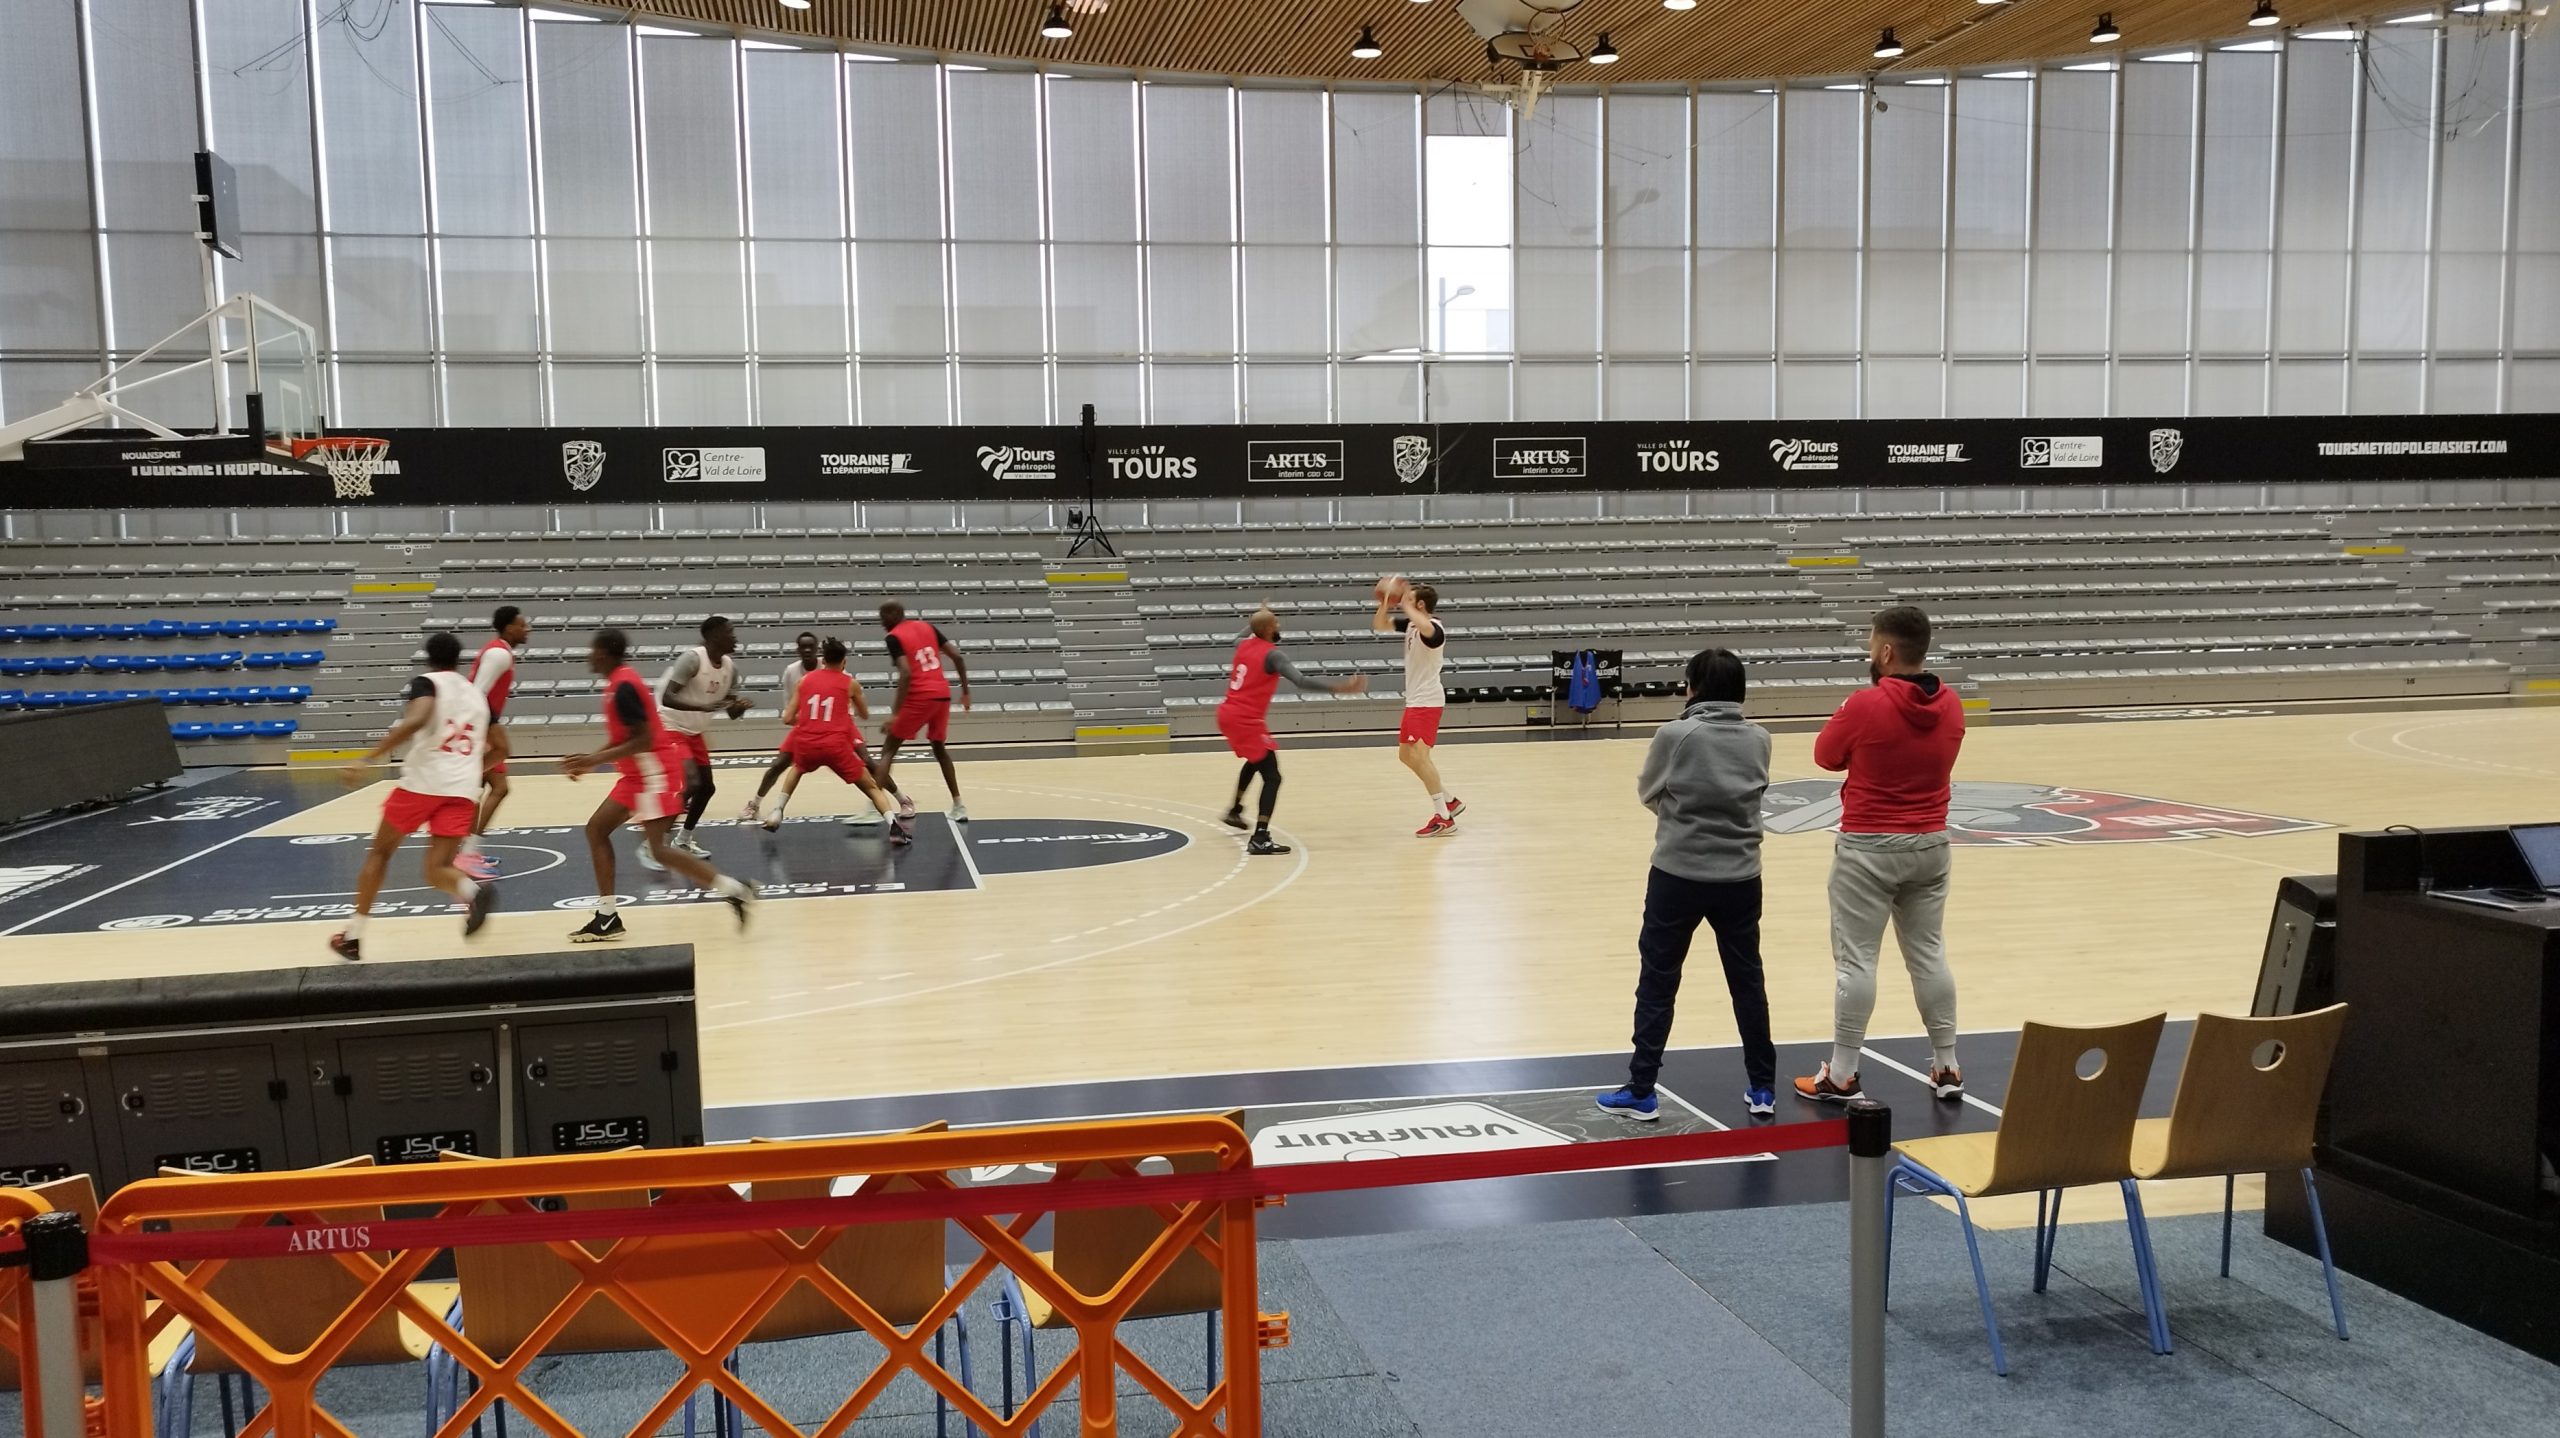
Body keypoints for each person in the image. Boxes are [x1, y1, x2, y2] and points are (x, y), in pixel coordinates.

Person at [1795, 604, 1968, 1105]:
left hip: (1868, 846)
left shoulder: (1865, 704)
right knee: (1929, 955)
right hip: (1931, 843)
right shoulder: (1952, 705)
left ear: (1886, 651)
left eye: (1872, 644)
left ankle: (1843, 1073)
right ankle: (1947, 1064)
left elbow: (1825, 756)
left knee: (1857, 963)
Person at [1596, 649, 1777, 1120]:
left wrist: (1683, 818)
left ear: (1694, 687)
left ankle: (1642, 1088)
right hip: (1741, 876)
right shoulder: (1760, 737)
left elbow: (1649, 792)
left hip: (1677, 873)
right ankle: (1762, 1087)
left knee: (1657, 980)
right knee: (1747, 980)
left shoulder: (1675, 734)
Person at [561, 628, 757, 942]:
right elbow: (623, 738)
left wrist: (591, 761)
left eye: (592, 650)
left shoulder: (624, 685)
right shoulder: (617, 684)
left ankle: (734, 889)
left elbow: (645, 739)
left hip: (656, 775)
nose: (589, 656)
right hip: (638, 776)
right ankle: (607, 916)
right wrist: (590, 760)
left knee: (659, 850)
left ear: (604, 654)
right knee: (596, 830)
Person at [327, 631, 498, 960]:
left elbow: (417, 719)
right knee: (437, 870)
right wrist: (470, 768)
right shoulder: (480, 697)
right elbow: (502, 749)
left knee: (380, 853)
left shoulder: (427, 682)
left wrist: (367, 758)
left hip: (423, 783)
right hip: (463, 789)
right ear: (458, 660)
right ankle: (472, 890)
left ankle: (353, 936)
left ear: (429, 658)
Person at [1217, 607, 1368, 856]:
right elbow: (1300, 681)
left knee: (1257, 759)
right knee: (1273, 777)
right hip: (1245, 719)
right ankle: (1260, 837)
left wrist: (1258, 615)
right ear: (1267, 630)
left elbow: (1237, 637)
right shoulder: (1273, 656)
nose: (1279, 627)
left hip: (1227, 714)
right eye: (1276, 623)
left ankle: (1235, 810)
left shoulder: (1243, 644)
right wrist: (1341, 688)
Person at [760, 638, 911, 844]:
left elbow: (787, 718)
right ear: (844, 662)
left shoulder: (804, 681)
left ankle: (777, 810)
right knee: (871, 787)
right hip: (835, 745)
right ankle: (894, 827)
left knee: (796, 768)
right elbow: (864, 714)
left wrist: (809, 720)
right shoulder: (850, 683)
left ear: (823, 660)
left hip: (808, 742)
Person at [653, 615, 751, 864]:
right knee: (692, 783)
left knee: (707, 787)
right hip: (671, 726)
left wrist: (740, 706)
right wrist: (703, 707)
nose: (735, 637)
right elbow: (667, 697)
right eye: (730, 632)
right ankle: (655, 843)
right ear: (713, 636)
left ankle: (683, 840)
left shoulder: (731, 667)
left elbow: (730, 711)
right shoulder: (693, 659)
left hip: (693, 732)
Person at [1370, 579, 1461, 837]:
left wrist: (1407, 604)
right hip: (1417, 701)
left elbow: (1425, 626)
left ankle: (1444, 816)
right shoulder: (1411, 624)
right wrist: (1385, 603)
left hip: (1427, 701)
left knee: (1420, 757)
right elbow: (1379, 625)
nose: (1404, 602)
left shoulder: (1434, 629)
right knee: (1406, 756)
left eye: (1410, 600)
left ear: (1420, 605)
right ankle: (1449, 799)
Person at [876, 601, 973, 823]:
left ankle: (875, 808)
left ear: (893, 615)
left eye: (882, 616)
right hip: (942, 695)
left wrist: (894, 714)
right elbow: (957, 656)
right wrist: (966, 692)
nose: (880, 621)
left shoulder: (894, 637)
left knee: (889, 749)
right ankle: (959, 805)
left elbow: (907, 673)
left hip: (920, 696)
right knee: (940, 750)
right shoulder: (927, 627)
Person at [459, 605, 530, 880]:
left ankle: (468, 850)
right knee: (478, 789)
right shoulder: (499, 653)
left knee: (495, 788)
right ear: (509, 627)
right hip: (481, 727)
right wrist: (486, 730)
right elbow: (477, 692)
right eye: (522, 625)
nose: (527, 630)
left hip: (482, 725)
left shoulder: (499, 651)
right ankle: (463, 854)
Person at [740, 631, 820, 826]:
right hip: (804, 728)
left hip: (831, 729)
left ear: (817, 649)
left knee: (863, 762)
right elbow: (789, 710)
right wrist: (801, 721)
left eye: (811, 646)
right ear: (798, 649)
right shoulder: (791, 671)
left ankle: (890, 801)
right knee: (778, 765)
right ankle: (755, 804)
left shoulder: (828, 667)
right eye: (803, 647)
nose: (807, 650)